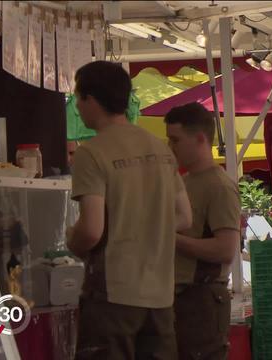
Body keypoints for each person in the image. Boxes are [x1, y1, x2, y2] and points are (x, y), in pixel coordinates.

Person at [67, 61, 192, 360]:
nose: (77, 107)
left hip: (114, 296)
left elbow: (91, 230)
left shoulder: (92, 153)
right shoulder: (160, 149)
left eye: (77, 98)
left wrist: (71, 241)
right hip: (161, 297)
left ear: (91, 99)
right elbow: (185, 218)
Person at [164, 102, 241, 360]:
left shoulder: (219, 186)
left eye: (175, 139)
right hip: (178, 297)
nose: (170, 147)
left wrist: (169, 238)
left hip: (202, 298)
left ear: (199, 139)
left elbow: (226, 249)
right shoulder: (182, 183)